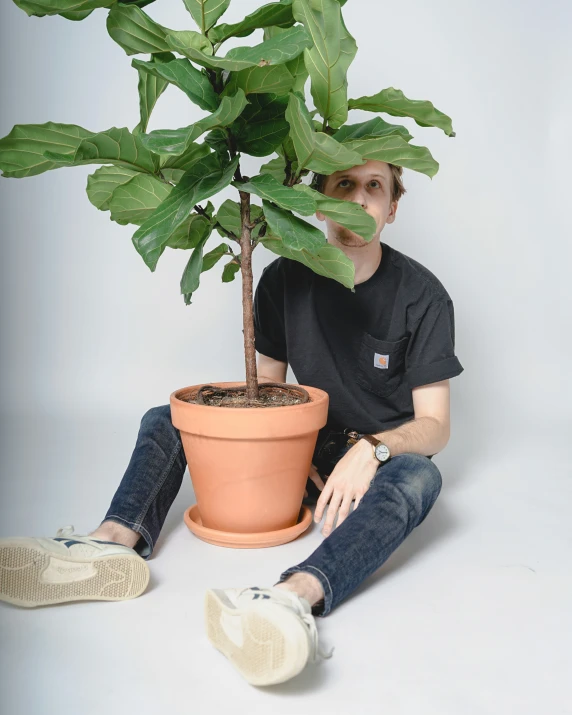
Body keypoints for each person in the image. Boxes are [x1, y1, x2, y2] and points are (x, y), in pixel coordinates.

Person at [0, 158, 464, 688]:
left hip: (370, 471)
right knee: (171, 416)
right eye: (344, 185)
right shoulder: (283, 278)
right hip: (300, 452)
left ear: (392, 208)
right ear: (319, 200)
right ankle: (110, 542)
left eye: (374, 188)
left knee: (421, 476)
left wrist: (373, 451)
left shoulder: (422, 296)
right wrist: (291, 456)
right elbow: (265, 395)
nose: (358, 200)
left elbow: (435, 427)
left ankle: (291, 599)